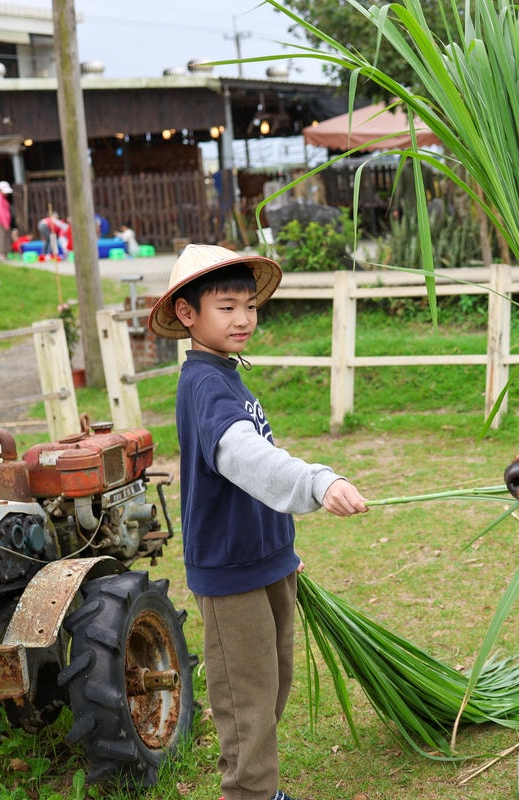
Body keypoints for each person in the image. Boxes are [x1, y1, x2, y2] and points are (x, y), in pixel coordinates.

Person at [146, 244, 370, 800]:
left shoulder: (227, 376)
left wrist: (281, 545)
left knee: (272, 685)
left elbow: (255, 474)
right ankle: (250, 794)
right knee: (245, 699)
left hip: (266, 559)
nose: (244, 318)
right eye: (226, 307)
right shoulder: (203, 383)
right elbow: (244, 457)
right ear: (187, 314)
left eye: (249, 305)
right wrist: (318, 481)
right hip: (230, 570)